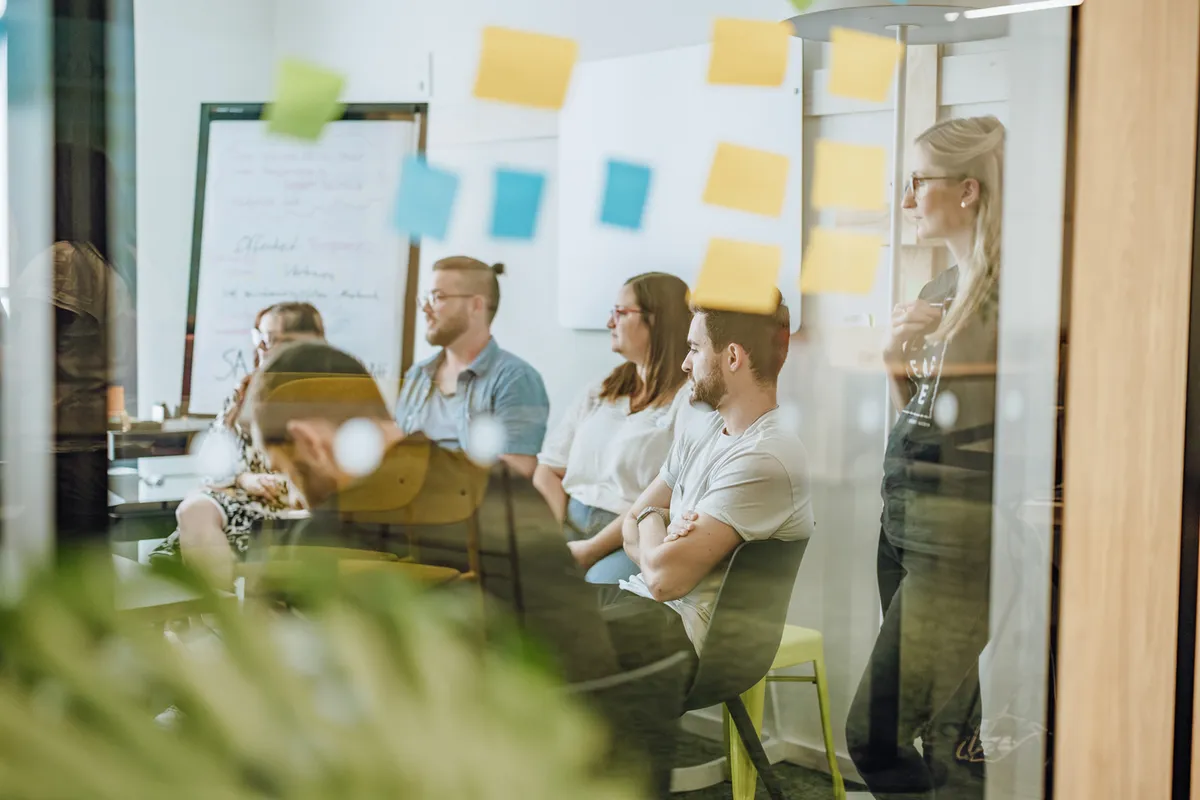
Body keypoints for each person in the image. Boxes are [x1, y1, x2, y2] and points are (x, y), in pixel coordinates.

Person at [244, 339, 620, 684]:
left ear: (311, 443)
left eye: (287, 472)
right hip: (588, 729)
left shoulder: (321, 544)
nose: (295, 498)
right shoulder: (506, 486)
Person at [845, 116, 1004, 800]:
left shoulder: (1008, 298)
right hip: (903, 521)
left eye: (917, 183)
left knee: (873, 735)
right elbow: (926, 411)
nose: (907, 201)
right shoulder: (941, 288)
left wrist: (953, 348)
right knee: (947, 734)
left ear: (968, 190)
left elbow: (1002, 429)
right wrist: (893, 362)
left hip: (958, 539)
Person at [598, 293, 814, 678]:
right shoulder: (704, 430)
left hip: (678, 633)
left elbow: (664, 580)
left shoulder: (767, 456)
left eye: (695, 349)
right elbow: (633, 528)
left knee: (531, 645)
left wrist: (652, 517)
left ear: (732, 358)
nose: (684, 364)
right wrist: (655, 529)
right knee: (518, 605)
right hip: (641, 600)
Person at [534, 273, 693, 584]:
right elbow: (550, 468)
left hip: (631, 536)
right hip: (566, 523)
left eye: (621, 313)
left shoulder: (690, 402)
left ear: (658, 320)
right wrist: (550, 537)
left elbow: (667, 497)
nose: (610, 323)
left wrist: (590, 550)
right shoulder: (602, 390)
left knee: (593, 592)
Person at [150, 302, 325, 585]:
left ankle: (222, 616)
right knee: (193, 509)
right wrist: (244, 479)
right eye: (261, 338)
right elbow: (212, 463)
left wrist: (283, 484)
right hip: (242, 497)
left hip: (292, 505)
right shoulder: (245, 390)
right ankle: (217, 613)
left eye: (275, 340)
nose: (264, 348)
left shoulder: (327, 394)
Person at [394, 256, 549, 478]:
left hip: (470, 509)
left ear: (475, 305)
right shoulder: (418, 374)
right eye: (426, 298)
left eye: (438, 297)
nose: (426, 308)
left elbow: (516, 473)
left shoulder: (515, 379)